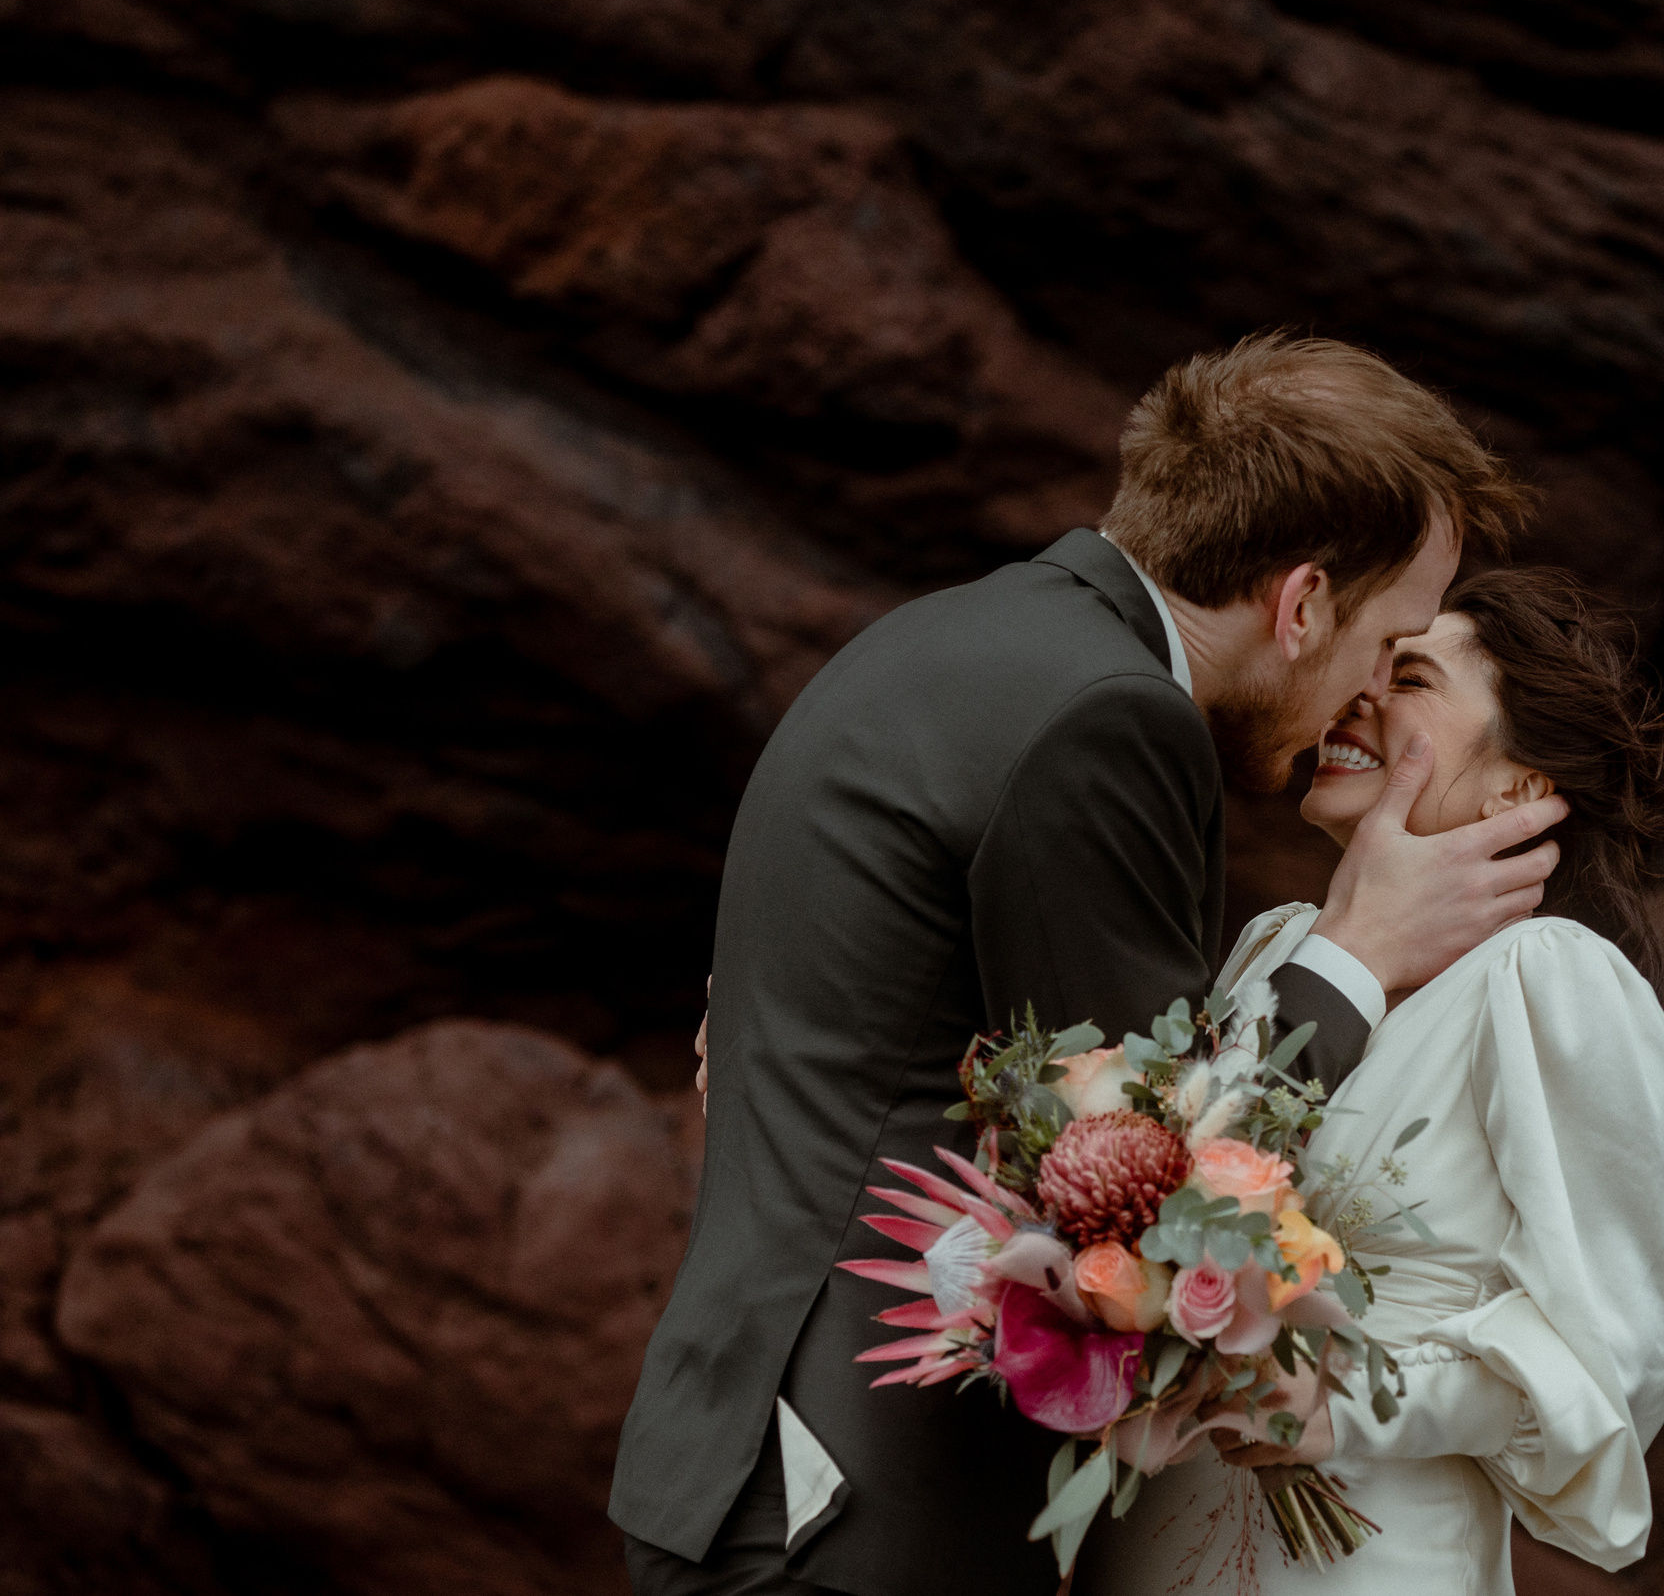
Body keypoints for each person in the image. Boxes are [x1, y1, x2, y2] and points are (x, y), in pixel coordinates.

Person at [610, 335, 1555, 1596]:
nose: (1368, 693)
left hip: (757, 1465)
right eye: (1385, 642)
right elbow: (1141, 1164)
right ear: (1302, 603)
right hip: (856, 1516)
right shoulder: (1108, 715)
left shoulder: (957, 640)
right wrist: (1357, 952)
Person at [1089, 566, 1664, 1595]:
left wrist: (1343, 1404)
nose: (1357, 692)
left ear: (1518, 787)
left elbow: (1614, 1359)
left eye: (1409, 674)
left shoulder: (1545, 976)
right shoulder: (1277, 951)